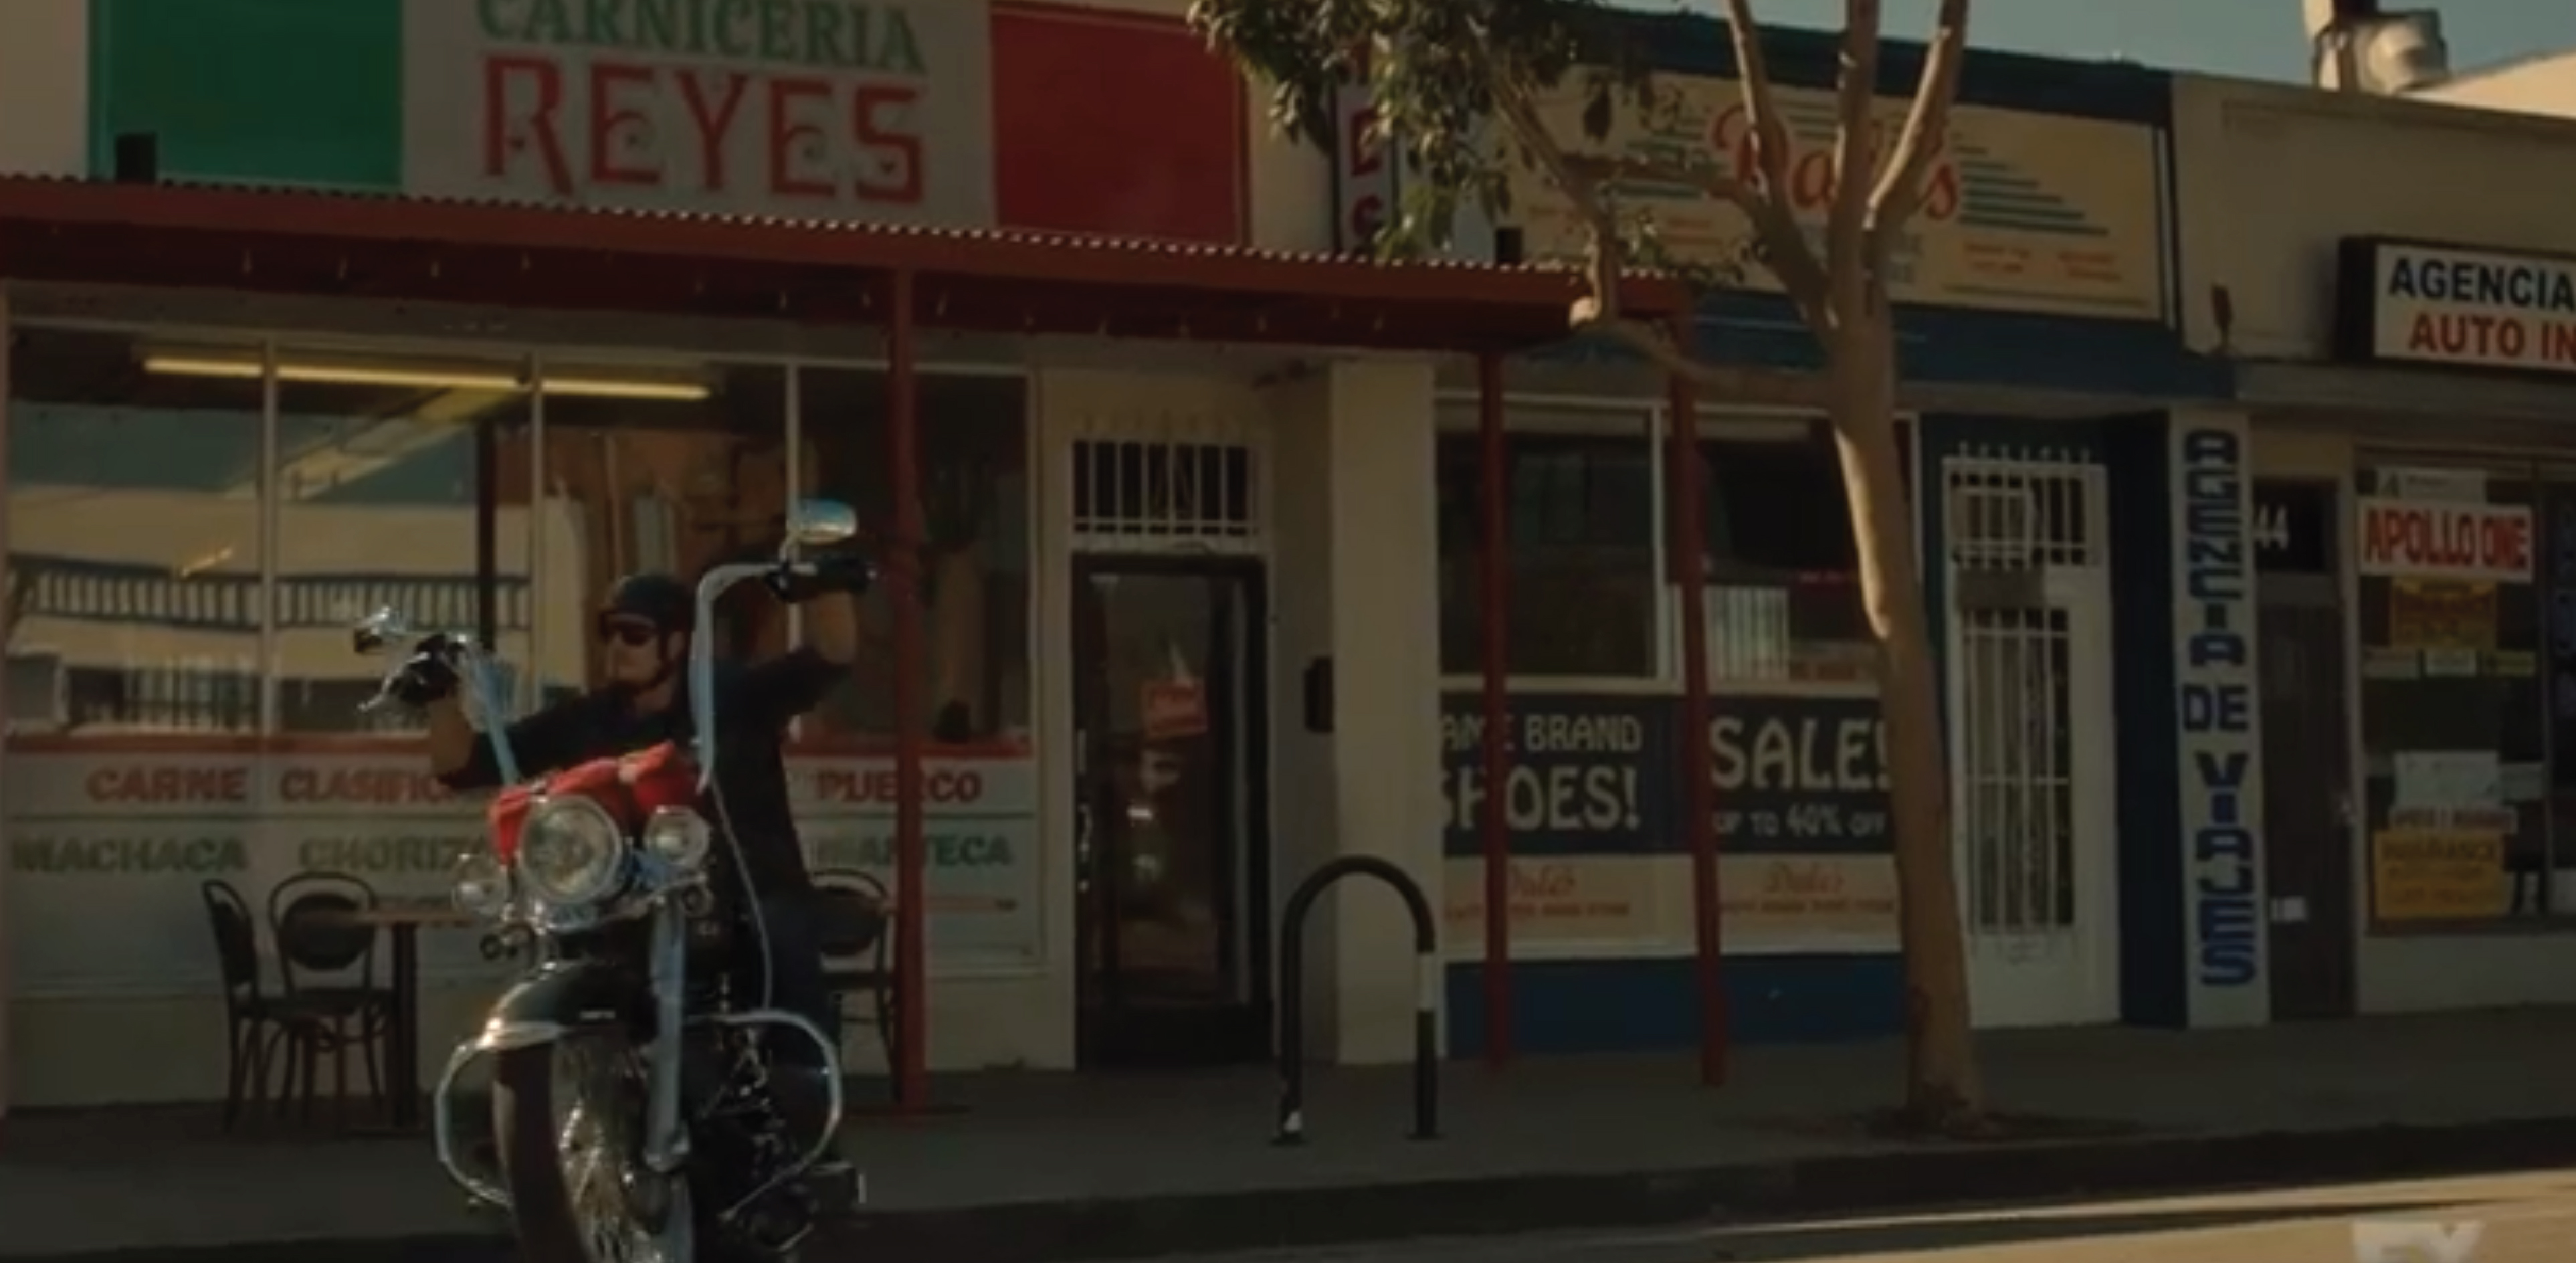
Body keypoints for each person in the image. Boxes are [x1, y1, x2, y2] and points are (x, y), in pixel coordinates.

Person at [387, 557, 868, 1189]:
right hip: (626, 902)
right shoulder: (590, 719)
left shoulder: (726, 696)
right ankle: (534, 1126)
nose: (617, 646)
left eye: (634, 634)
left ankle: (814, 1137)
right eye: (608, 632)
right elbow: (462, 765)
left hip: (740, 892)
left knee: (782, 934)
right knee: (560, 952)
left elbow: (830, 657)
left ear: (676, 641)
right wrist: (439, 697)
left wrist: (826, 582)